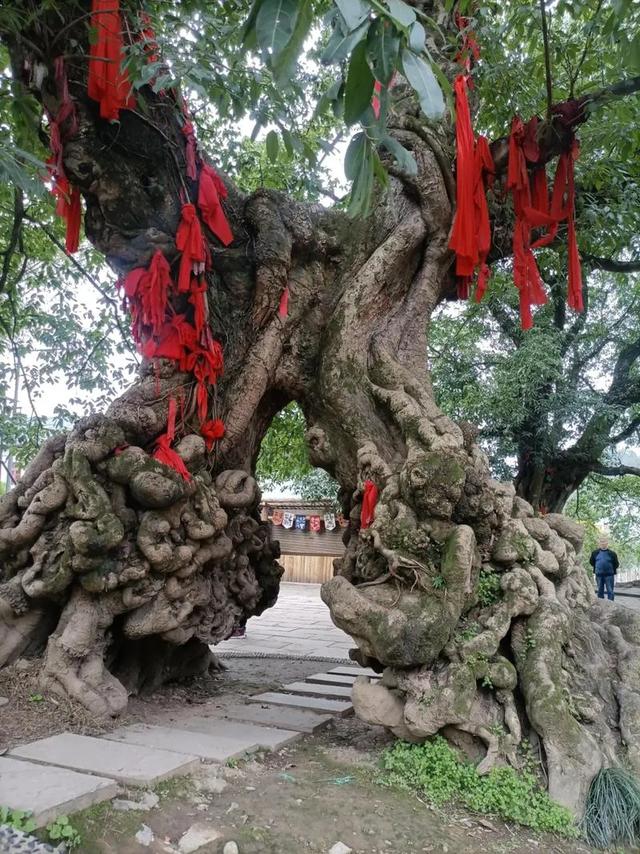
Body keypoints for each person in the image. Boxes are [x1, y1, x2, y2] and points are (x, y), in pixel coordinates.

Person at [589, 536, 619, 601]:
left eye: (604, 542)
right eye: (601, 542)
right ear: (599, 543)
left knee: (610, 591)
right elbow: (591, 562)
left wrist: (610, 569)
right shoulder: (595, 553)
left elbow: (616, 564)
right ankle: (601, 606)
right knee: (600, 591)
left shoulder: (612, 553)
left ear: (607, 543)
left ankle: (611, 605)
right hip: (599, 575)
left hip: (609, 575)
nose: (603, 543)